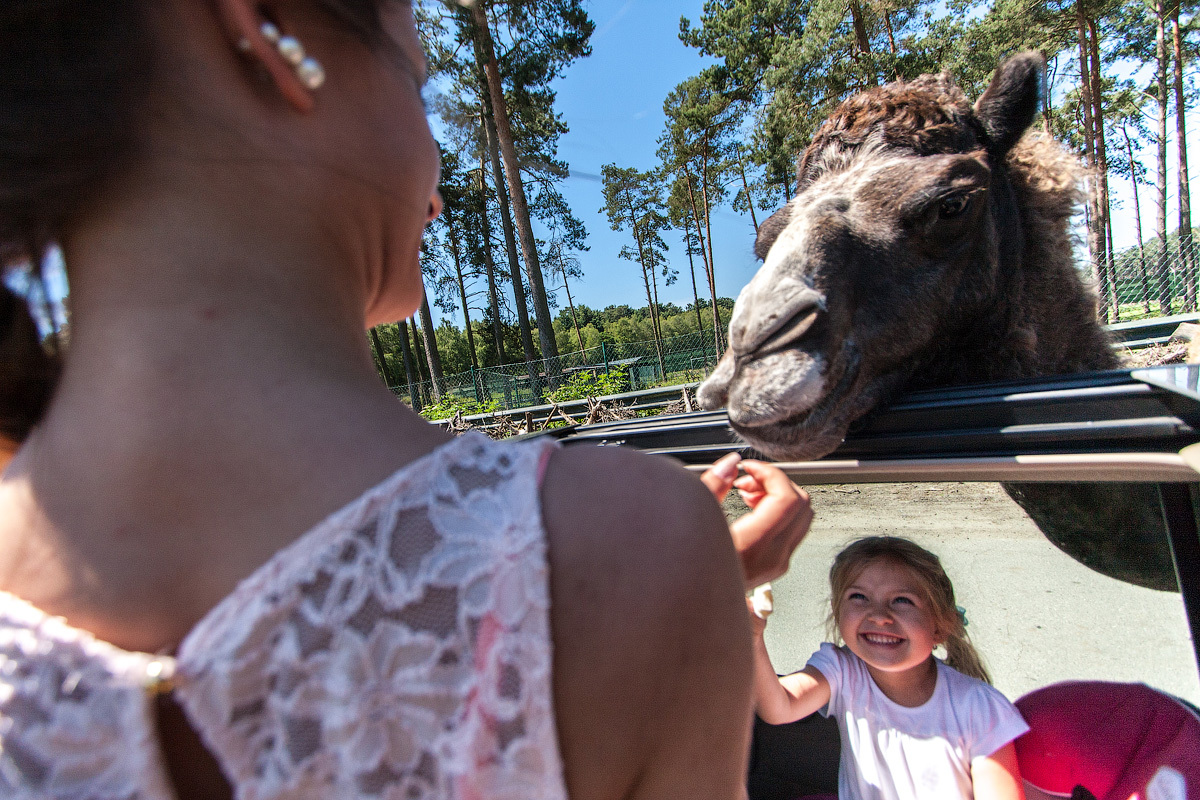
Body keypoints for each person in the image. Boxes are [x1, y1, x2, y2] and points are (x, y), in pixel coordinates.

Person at [0, 2, 812, 799]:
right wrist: (685, 580)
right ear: (264, 27)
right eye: (418, 85)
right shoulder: (641, 544)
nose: (436, 196)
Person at [750, 536, 1028, 800]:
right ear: (837, 612)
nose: (879, 616)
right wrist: (753, 638)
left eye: (902, 601)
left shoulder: (979, 706)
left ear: (940, 626)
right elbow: (780, 706)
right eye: (859, 597)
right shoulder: (843, 670)